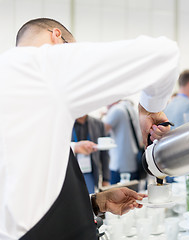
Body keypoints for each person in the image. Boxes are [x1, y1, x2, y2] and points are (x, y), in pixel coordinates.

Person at [1, 18, 179, 240]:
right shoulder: (42, 66)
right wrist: (150, 109)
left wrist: (95, 203)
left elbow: (25, 201)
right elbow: (164, 54)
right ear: (56, 37)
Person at [103, 100, 142, 184]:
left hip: (120, 164)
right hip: (133, 160)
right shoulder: (130, 108)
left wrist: (105, 115)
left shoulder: (116, 110)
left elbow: (102, 130)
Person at [71, 115, 110, 194]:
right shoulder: (66, 124)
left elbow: (104, 154)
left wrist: (106, 179)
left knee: (89, 198)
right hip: (72, 171)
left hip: (90, 171)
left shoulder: (98, 124)